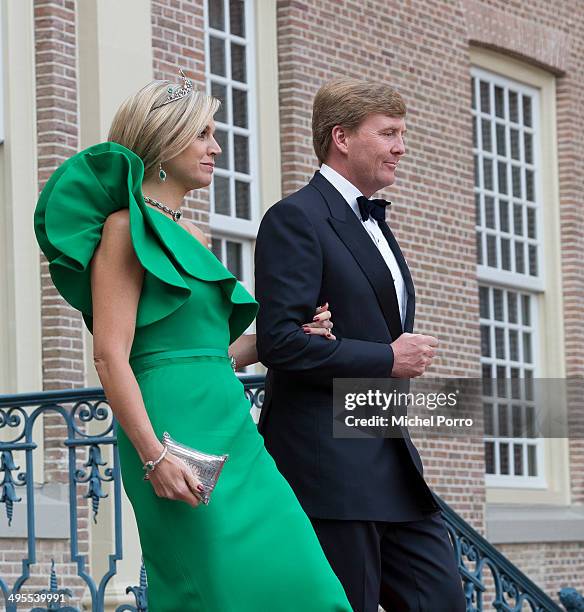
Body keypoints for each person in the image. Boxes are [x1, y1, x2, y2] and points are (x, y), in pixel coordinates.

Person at [34, 70, 352, 611]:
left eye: (214, 132)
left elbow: (208, 352)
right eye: (202, 133)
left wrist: (280, 339)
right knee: (217, 593)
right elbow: (112, 356)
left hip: (233, 428)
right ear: (163, 140)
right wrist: (153, 456)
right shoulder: (121, 230)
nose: (216, 147)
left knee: (308, 586)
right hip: (171, 434)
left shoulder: (196, 237)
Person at [254, 78, 466, 612]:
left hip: (389, 456)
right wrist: (388, 359)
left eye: (403, 133)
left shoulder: (372, 220)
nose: (402, 146)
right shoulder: (295, 218)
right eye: (388, 133)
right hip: (327, 464)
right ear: (341, 137)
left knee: (441, 599)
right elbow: (280, 344)